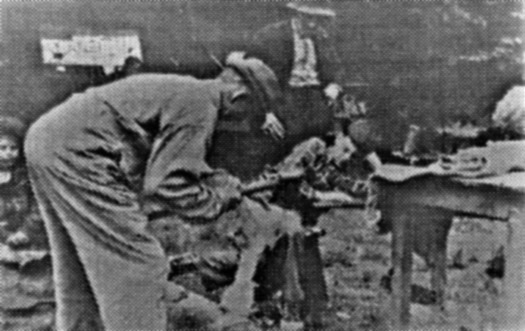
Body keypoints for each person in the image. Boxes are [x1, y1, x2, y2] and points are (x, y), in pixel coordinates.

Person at [25, 53, 302, 331]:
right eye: (245, 113)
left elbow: (155, 165)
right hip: (78, 154)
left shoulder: (183, 89)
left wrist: (211, 181)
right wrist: (220, 198)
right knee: (140, 264)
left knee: (77, 266)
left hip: (47, 139)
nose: (235, 119)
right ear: (240, 97)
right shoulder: (200, 105)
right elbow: (166, 184)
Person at [249, 1, 345, 162]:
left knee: (321, 146)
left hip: (316, 98)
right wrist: (265, 112)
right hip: (284, 98)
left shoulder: (322, 37)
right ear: (297, 14)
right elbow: (251, 72)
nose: (313, 23)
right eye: (308, 17)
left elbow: (338, 68)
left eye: (318, 18)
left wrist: (334, 85)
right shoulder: (271, 35)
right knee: (285, 147)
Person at [0, 117, 33, 248]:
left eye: (13, 148)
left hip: (23, 237)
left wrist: (26, 231)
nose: (8, 153)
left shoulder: (24, 178)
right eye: (2, 148)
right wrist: (6, 236)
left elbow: (38, 207)